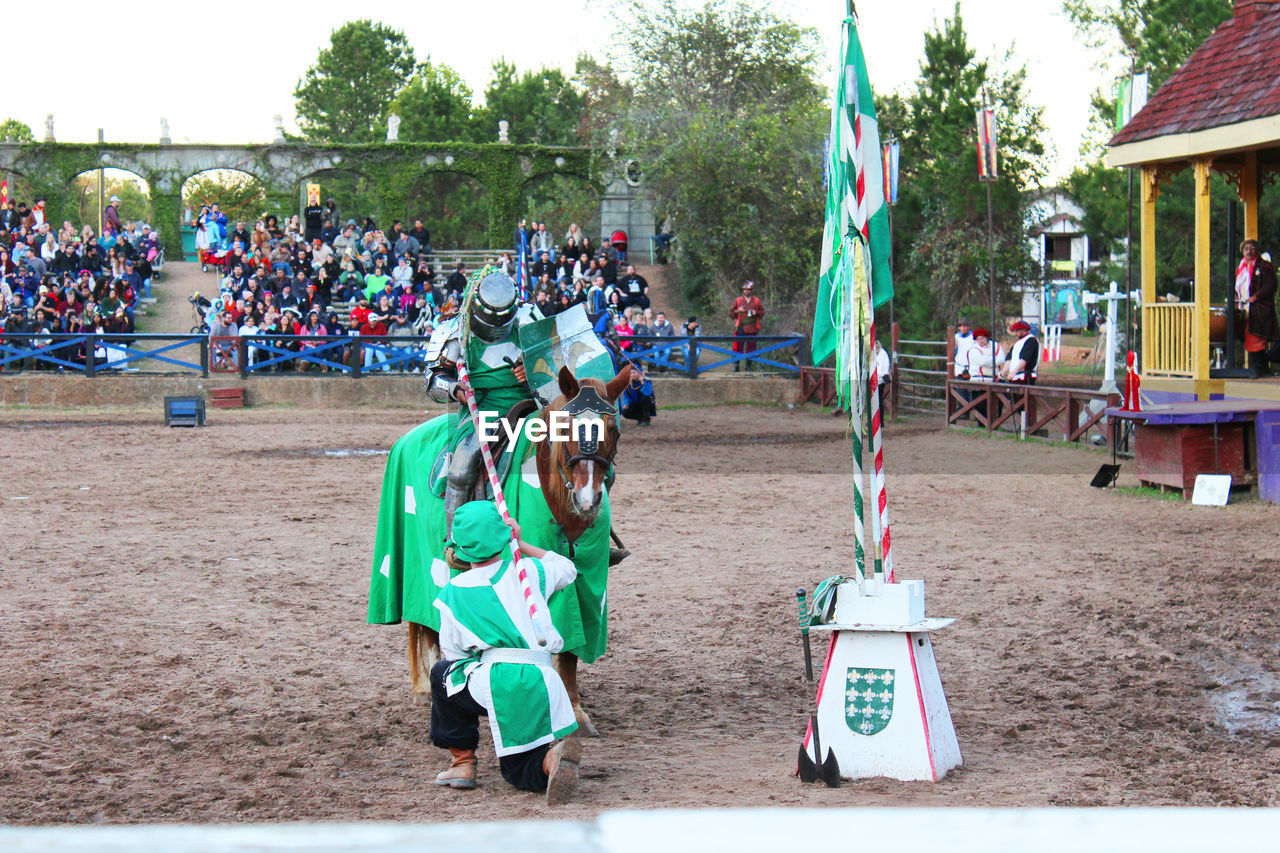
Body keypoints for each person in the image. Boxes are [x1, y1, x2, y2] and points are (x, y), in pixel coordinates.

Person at [429, 501, 582, 804]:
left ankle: (463, 763)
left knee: (441, 675)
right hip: (545, 680)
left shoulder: (452, 592)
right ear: (503, 537)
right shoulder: (529, 570)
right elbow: (568, 569)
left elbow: (454, 654)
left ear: (459, 549)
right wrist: (522, 544)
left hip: (500, 683)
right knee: (526, 753)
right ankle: (551, 756)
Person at [424, 272, 542, 531]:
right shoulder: (457, 329)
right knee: (462, 465)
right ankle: (456, 539)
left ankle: (592, 529)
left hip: (532, 407)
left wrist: (533, 368)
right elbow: (433, 379)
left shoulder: (530, 320)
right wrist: (456, 389)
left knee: (583, 449)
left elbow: (557, 360)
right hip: (483, 411)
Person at [1235, 239, 1279, 376]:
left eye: (1252, 248)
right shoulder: (1241, 267)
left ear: (1257, 250)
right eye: (1246, 248)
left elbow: (1271, 286)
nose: (1249, 251)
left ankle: (1260, 368)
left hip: (1259, 308)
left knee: (1256, 337)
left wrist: (1256, 296)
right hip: (1244, 307)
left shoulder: (1265, 266)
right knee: (1247, 336)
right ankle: (1258, 367)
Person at [730, 281, 764, 371]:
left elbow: (762, 312)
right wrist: (738, 310)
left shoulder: (756, 300)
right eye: (745, 290)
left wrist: (756, 312)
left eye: (748, 290)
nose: (747, 291)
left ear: (751, 290)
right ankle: (736, 366)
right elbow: (731, 313)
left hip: (753, 328)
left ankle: (748, 366)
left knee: (751, 348)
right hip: (741, 327)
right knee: (738, 347)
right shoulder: (738, 300)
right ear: (743, 291)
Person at [1002, 320, 1039, 384]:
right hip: (1015, 375)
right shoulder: (1018, 343)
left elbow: (1025, 359)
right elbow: (1009, 358)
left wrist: (1014, 372)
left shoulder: (1031, 340)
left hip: (1025, 375)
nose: (1017, 332)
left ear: (1025, 329)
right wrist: (1003, 371)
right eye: (1016, 330)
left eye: (1019, 330)